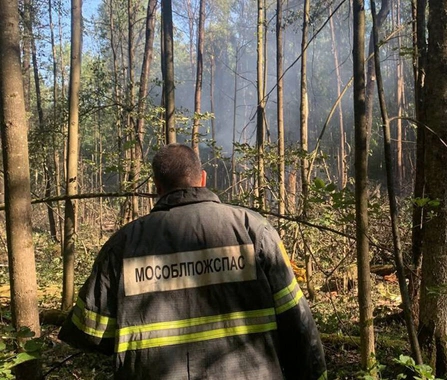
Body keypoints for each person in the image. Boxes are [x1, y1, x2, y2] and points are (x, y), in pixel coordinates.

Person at [58, 143, 327, 380]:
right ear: (203, 179)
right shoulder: (254, 230)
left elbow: (89, 331)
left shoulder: (123, 245)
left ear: (157, 187)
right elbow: (297, 322)